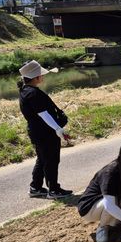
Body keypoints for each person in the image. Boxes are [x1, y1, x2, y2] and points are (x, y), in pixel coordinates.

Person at [18, 60, 72, 200]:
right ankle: (53, 190)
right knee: (51, 160)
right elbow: (44, 114)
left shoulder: (25, 91)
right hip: (45, 132)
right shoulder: (33, 94)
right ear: (36, 77)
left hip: (36, 131)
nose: (43, 77)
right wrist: (58, 129)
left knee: (42, 159)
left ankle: (35, 187)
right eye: (41, 75)